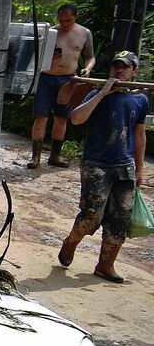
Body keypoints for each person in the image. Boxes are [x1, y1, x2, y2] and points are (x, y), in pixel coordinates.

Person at [57, 50, 148, 283]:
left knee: (120, 218)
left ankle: (105, 264)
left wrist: (140, 169)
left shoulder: (140, 99)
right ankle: (71, 242)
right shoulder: (97, 93)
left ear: (134, 71)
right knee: (91, 215)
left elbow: (139, 135)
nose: (119, 70)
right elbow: (76, 118)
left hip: (124, 165)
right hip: (96, 164)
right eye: (116, 66)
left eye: (125, 67)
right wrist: (103, 93)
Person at [32, 4, 96, 169]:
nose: (65, 23)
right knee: (41, 116)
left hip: (68, 79)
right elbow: (36, 55)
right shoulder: (51, 32)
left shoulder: (84, 33)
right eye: (61, 20)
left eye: (68, 20)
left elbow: (90, 57)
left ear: (76, 17)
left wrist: (87, 69)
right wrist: (48, 56)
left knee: (61, 118)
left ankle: (55, 155)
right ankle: (35, 157)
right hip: (47, 77)